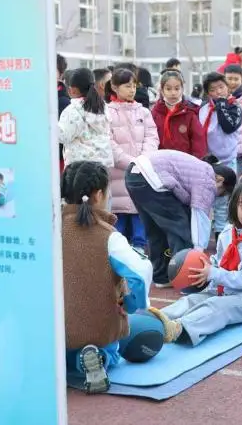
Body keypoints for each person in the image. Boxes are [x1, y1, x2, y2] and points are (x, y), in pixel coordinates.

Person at [61, 161, 154, 394]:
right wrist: (134, 304)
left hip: (56, 332)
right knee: (114, 350)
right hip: (98, 330)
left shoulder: (49, 229)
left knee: (60, 350)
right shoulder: (108, 237)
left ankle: (65, 360)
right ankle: (98, 356)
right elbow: (142, 271)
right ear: (100, 194)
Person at [148, 181, 242, 346]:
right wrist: (204, 264)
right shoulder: (228, 232)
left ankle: (180, 328)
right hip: (221, 289)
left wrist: (213, 273)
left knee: (216, 307)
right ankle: (154, 320)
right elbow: (219, 259)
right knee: (191, 300)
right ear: (234, 206)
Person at [125, 149, 236, 287]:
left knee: (156, 231)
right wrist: (198, 252)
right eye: (221, 194)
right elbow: (200, 218)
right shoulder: (208, 180)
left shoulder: (199, 169)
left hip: (133, 174)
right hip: (152, 177)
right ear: (220, 180)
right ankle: (186, 278)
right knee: (181, 229)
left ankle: (161, 277)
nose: (216, 197)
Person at [105, 68, 160, 249]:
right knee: (116, 232)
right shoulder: (106, 113)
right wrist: (131, 162)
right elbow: (108, 143)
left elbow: (152, 137)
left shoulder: (143, 112)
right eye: (127, 86)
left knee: (140, 232)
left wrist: (143, 161)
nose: (132, 90)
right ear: (114, 87)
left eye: (134, 86)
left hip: (140, 175)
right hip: (117, 178)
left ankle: (140, 266)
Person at [199, 72, 242, 240]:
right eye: (213, 90)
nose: (218, 92)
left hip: (227, 161)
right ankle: (203, 235)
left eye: (221, 87)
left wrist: (222, 104)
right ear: (208, 93)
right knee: (205, 200)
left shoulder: (234, 107)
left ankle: (221, 234)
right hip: (207, 161)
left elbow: (228, 126)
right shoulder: (203, 109)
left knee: (224, 201)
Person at [58, 68, 113, 169]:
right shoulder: (103, 107)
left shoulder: (73, 110)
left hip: (80, 168)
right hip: (104, 165)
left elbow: (63, 136)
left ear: (72, 90)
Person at [151, 70, 206, 158]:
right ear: (162, 90)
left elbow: (198, 140)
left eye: (177, 88)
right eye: (168, 89)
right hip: (161, 161)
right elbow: (151, 138)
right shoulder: (155, 113)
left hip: (185, 162)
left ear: (182, 89)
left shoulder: (189, 113)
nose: (173, 93)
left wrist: (197, 162)